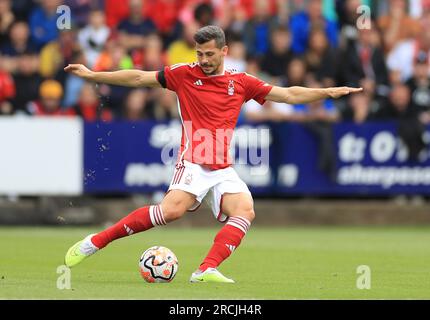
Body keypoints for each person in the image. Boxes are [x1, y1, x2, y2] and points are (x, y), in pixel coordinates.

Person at [63, 25, 361, 283]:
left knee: (245, 210)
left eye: (209, 54)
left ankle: (205, 269)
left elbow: (288, 95)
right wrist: (93, 75)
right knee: (171, 212)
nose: (203, 60)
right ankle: (94, 242)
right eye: (199, 54)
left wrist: (325, 93)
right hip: (193, 159)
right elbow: (140, 78)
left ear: (224, 51)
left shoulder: (241, 82)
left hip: (221, 167)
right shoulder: (182, 74)